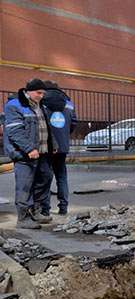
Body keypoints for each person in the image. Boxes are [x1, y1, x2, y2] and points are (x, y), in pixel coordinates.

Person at [3, 79, 56, 229]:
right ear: (28, 91)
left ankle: (35, 210)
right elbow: (15, 131)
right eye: (38, 93)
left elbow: (46, 127)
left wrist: (54, 146)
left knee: (45, 178)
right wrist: (28, 149)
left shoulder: (40, 105)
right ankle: (23, 218)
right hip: (25, 154)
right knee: (24, 185)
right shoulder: (14, 106)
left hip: (42, 152)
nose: (41, 96)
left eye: (43, 93)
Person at [41, 81, 77, 215]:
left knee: (46, 177)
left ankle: (45, 209)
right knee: (61, 176)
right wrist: (64, 135)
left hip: (46, 145)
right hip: (62, 145)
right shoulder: (68, 103)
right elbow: (73, 123)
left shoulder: (41, 102)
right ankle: (63, 207)